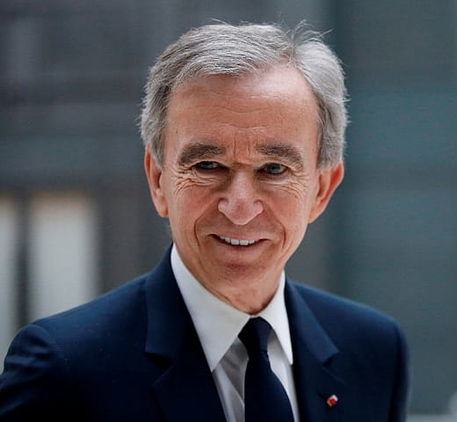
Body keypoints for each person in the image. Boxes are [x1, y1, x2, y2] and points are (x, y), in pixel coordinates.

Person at [0, 23, 409, 421]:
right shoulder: (63, 369)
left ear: (322, 189)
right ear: (158, 180)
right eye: (208, 165)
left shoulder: (374, 350)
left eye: (273, 169)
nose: (239, 207)